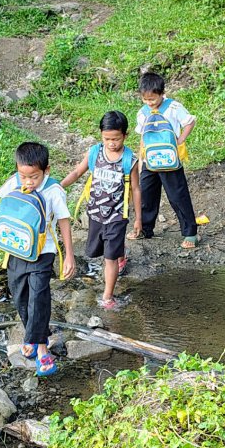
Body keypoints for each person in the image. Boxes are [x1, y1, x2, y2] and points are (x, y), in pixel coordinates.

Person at [0, 142, 75, 376]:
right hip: (16, 250)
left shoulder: (54, 190)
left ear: (46, 170)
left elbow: (64, 221)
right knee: (20, 296)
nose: (27, 182)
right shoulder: (15, 181)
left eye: (33, 177)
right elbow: (4, 204)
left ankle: (43, 348)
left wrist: (69, 256)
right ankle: (31, 336)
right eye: (23, 175)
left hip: (43, 252)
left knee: (38, 296)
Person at [61, 111, 141, 310]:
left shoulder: (129, 160)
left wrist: (139, 218)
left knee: (109, 258)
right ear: (100, 135)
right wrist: (59, 186)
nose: (111, 143)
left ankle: (108, 296)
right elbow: (77, 172)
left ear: (125, 135)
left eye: (116, 138)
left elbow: (136, 189)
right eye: (107, 139)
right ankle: (121, 254)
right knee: (96, 250)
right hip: (95, 213)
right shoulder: (95, 153)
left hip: (117, 215)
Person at [133, 72, 199, 249]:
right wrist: (141, 159)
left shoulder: (173, 107)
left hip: (170, 160)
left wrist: (180, 141)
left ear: (162, 93)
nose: (149, 103)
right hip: (149, 160)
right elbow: (143, 136)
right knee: (147, 194)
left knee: (177, 195)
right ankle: (146, 229)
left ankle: (190, 232)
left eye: (153, 99)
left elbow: (190, 122)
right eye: (145, 99)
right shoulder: (142, 113)